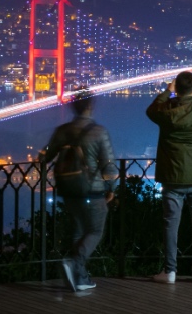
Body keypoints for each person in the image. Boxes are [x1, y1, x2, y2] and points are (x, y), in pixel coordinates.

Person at [146, 70, 192, 284]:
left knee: (171, 224)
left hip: (173, 175)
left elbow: (150, 110)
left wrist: (166, 92)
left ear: (176, 88)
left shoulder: (166, 111)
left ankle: (170, 272)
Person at [39, 91, 117, 292]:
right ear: (91, 106)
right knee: (95, 230)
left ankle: (78, 278)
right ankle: (75, 263)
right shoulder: (99, 132)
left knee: (78, 230)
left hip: (68, 189)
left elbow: (45, 157)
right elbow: (108, 166)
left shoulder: (62, 130)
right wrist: (111, 189)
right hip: (92, 190)